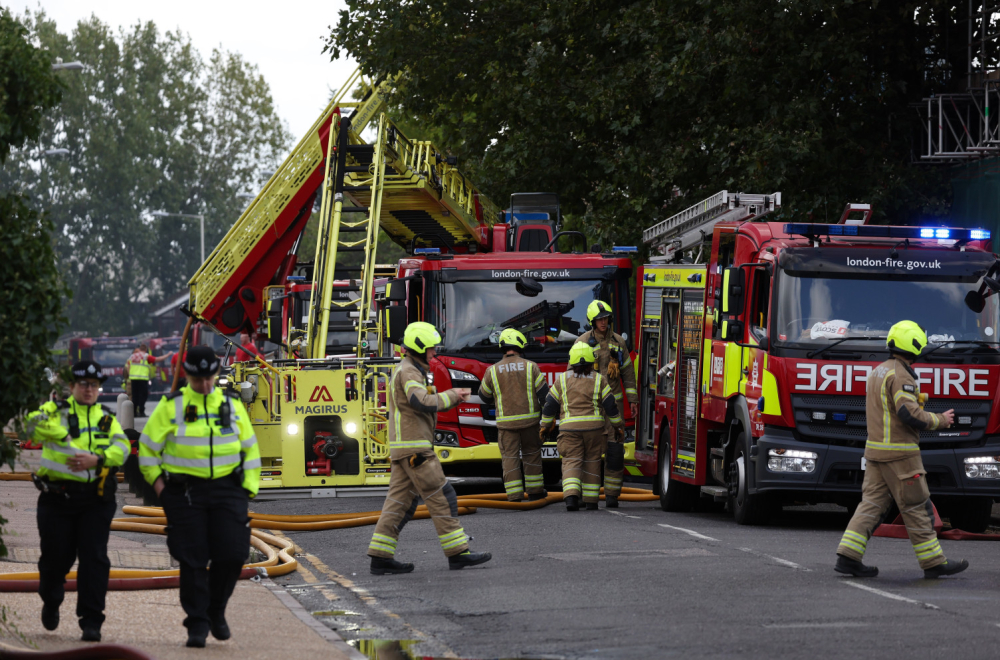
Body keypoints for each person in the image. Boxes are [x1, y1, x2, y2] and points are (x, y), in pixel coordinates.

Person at [139, 345, 262, 647]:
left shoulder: (232, 406)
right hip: (185, 493)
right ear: (187, 375)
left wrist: (247, 489)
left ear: (216, 374)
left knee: (233, 553)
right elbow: (147, 451)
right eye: (198, 380)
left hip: (229, 490)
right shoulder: (172, 406)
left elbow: (250, 450)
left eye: (209, 378)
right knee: (192, 559)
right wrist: (162, 491)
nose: (205, 385)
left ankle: (215, 610)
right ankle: (196, 623)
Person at [835, 320, 968, 579]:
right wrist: (941, 420)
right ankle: (933, 561)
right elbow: (909, 414)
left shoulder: (879, 371)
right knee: (917, 506)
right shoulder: (902, 375)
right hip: (901, 455)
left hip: (875, 452)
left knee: (871, 505)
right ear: (914, 345)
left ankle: (847, 556)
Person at [367, 321, 492, 575]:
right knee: (442, 496)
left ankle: (380, 558)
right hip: (416, 450)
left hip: (405, 449)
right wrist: (454, 395)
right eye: (432, 349)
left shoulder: (410, 369)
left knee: (398, 504)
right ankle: (458, 553)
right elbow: (420, 401)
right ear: (419, 348)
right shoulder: (409, 372)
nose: (434, 353)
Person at [26, 361, 129, 642]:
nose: (89, 389)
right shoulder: (54, 411)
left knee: (94, 559)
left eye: (94, 385)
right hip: (56, 498)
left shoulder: (106, 419)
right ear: (71, 387)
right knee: (54, 560)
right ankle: (52, 598)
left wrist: (97, 460)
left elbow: (122, 448)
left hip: (95, 500)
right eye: (83, 384)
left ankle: (91, 621)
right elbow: (30, 426)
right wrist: (60, 433)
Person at [540, 343, 624, 511]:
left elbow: (549, 406)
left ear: (572, 360)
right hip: (595, 430)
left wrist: (545, 425)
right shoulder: (599, 379)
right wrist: (617, 427)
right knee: (592, 461)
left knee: (571, 461)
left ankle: (571, 498)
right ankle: (591, 501)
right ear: (591, 361)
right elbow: (611, 407)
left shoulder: (562, 379)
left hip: (569, 430)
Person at [574, 300, 637, 508]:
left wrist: (633, 400)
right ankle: (587, 496)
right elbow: (571, 376)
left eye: (606, 318)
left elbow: (628, 373)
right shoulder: (581, 342)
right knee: (588, 452)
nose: (603, 322)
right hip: (590, 407)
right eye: (599, 319)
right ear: (592, 321)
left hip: (614, 409)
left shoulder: (618, 342)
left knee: (615, 451)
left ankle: (612, 495)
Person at [478, 328, 550, 501]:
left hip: (506, 426)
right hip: (531, 423)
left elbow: (483, 396)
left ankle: (514, 495)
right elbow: (544, 396)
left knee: (509, 458)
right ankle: (536, 492)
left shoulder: (492, 371)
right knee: (532, 454)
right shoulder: (531, 367)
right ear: (518, 344)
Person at [125, 343, 173, 417]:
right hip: (142, 379)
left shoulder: (132, 356)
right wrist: (168, 355)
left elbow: (128, 366)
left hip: (133, 379)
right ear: (146, 350)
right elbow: (158, 359)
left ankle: (134, 412)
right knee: (143, 396)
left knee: (135, 396)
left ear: (140, 349)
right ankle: (141, 411)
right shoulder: (145, 356)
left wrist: (130, 375)